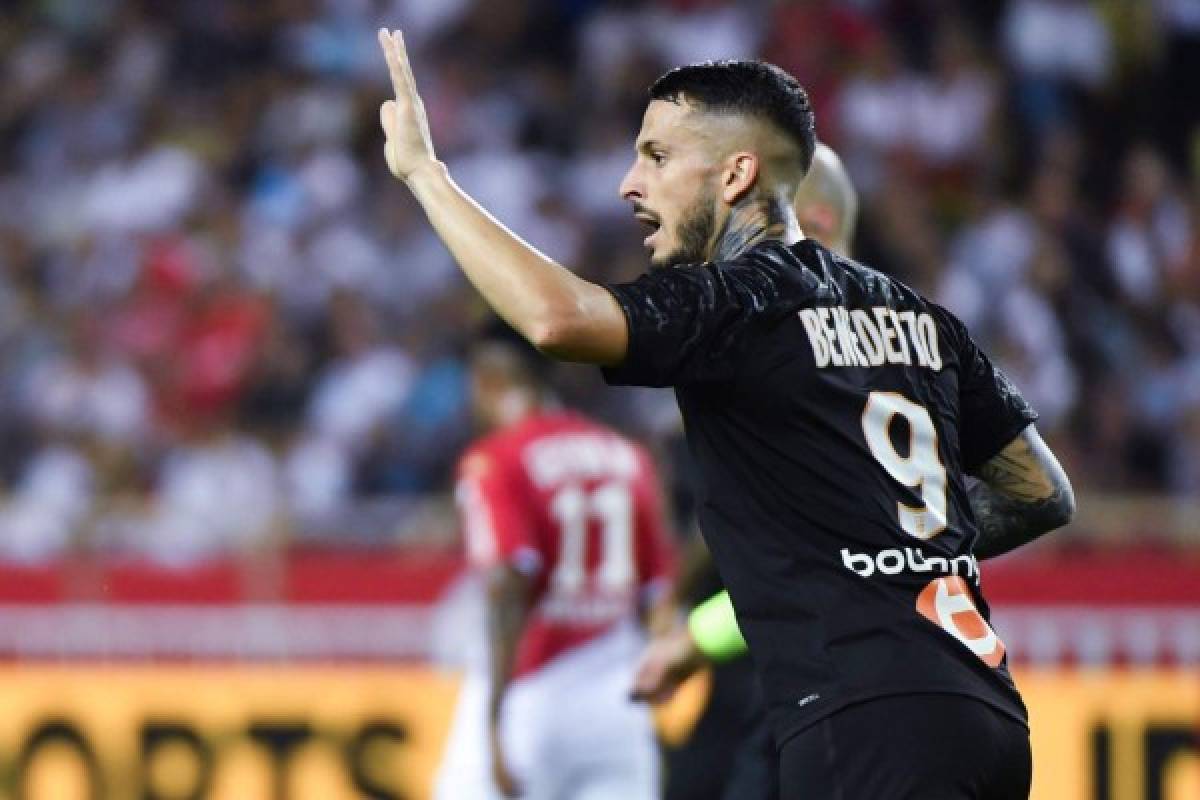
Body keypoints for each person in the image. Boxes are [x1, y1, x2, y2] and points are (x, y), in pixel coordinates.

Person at [378, 30, 1074, 798]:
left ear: (737, 173)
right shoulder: (921, 318)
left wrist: (426, 175)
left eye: (657, 156)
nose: (628, 183)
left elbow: (557, 320)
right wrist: (895, 556)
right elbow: (1039, 492)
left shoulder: (739, 300)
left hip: (859, 722)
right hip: (986, 714)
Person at [434, 337, 675, 800]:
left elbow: (507, 583)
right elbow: (657, 596)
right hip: (618, 705)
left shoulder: (495, 459)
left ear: (487, 382)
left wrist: (492, 723)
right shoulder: (628, 456)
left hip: (534, 692)